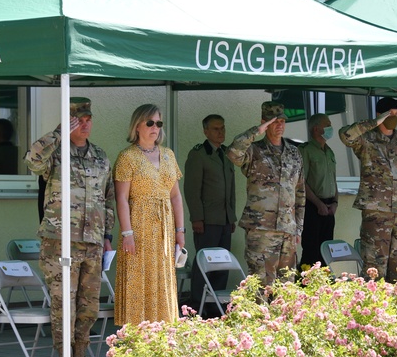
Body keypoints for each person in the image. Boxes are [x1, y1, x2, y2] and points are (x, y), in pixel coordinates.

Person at [25, 97, 115, 357]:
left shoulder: (100, 156)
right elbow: (32, 160)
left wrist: (108, 235)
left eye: (88, 119)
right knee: (65, 303)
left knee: (88, 306)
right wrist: (58, 133)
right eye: (78, 120)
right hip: (60, 241)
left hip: (92, 242)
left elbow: (108, 198)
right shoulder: (55, 152)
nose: (85, 124)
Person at [114, 104, 186, 326]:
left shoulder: (168, 155)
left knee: (163, 278)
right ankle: (138, 335)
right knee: (139, 278)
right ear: (137, 126)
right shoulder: (127, 157)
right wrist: (127, 233)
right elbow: (121, 198)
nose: (155, 127)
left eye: (158, 123)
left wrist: (180, 231)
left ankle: (162, 334)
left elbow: (175, 196)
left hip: (164, 226)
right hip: (139, 225)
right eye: (150, 123)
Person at [226, 102, 305, 288]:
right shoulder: (254, 151)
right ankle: (260, 318)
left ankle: (283, 318)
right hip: (261, 229)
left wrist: (298, 228)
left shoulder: (294, 153)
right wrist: (256, 131)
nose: (280, 125)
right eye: (275, 121)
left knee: (287, 284)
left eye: (283, 121)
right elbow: (232, 152)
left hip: (287, 229)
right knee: (261, 282)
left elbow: (300, 192)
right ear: (265, 123)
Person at [339, 97, 397, 282]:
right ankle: (373, 307)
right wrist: (374, 123)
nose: (394, 118)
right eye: (391, 114)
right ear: (380, 115)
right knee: (374, 264)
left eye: (396, 114)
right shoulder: (366, 139)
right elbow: (345, 135)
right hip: (377, 212)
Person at [184, 114, 236, 310]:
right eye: (215, 129)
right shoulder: (199, 154)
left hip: (224, 219)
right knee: (205, 263)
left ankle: (216, 304)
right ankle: (197, 304)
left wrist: (231, 216)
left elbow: (231, 190)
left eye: (222, 128)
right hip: (207, 220)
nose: (220, 132)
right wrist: (196, 217)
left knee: (223, 263)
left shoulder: (226, 154)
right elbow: (191, 189)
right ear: (205, 131)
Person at [298, 113, 338, 270]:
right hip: (312, 206)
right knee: (311, 251)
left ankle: (323, 288)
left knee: (326, 251)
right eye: (327, 124)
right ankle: (304, 288)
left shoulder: (329, 152)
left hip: (329, 207)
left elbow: (333, 181)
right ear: (316, 129)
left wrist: (335, 202)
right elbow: (301, 182)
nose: (330, 128)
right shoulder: (305, 150)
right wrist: (318, 203)